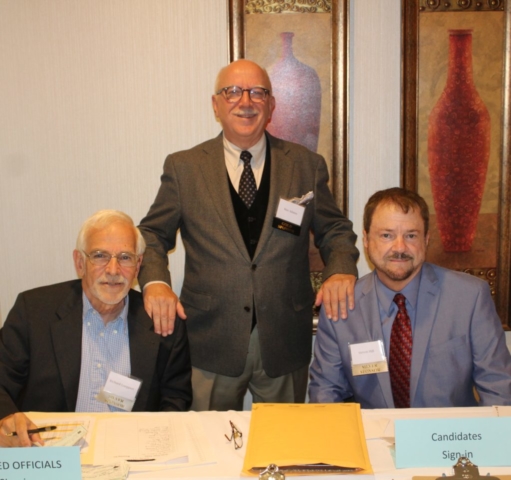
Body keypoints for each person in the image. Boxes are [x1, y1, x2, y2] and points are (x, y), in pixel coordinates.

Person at [138, 59, 359, 410]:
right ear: (216, 105)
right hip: (211, 340)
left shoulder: (306, 164)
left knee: (284, 448)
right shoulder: (184, 168)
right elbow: (151, 234)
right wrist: (156, 283)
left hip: (284, 339)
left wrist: (341, 268)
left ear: (271, 105)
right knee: (209, 450)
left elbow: (336, 230)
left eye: (258, 92)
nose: (246, 101)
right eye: (233, 92)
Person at [0, 210, 192, 447]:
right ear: (80, 262)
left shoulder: (162, 321)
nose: (113, 270)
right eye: (100, 256)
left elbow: (176, 398)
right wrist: (6, 420)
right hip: (51, 451)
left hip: (131, 453)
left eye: (125, 257)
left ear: (138, 265)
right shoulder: (33, 312)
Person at [309, 187, 511, 408]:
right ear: (366, 240)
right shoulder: (342, 305)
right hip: (372, 438)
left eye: (411, 235)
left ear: (426, 239)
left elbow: (498, 388)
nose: (399, 248)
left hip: (451, 438)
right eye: (387, 235)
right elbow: (326, 393)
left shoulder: (470, 297)